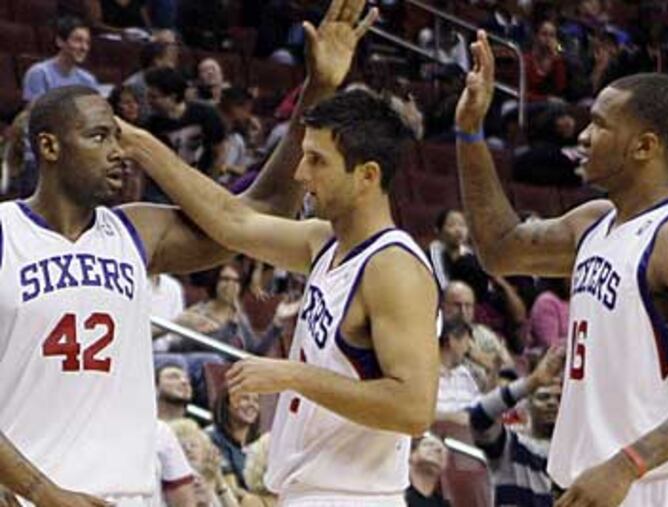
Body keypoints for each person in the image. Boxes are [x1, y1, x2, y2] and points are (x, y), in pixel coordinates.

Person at [0, 0, 373, 503]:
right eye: (98, 137)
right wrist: (43, 493)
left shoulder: (136, 231)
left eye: (118, 137)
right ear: (49, 147)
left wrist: (319, 90)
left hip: (130, 495)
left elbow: (258, 211)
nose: (117, 151)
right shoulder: (5, 233)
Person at [117, 24, 443, 507]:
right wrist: (142, 145)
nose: (299, 173)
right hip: (307, 492)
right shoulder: (323, 242)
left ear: (367, 176)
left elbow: (414, 408)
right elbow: (233, 220)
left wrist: (291, 375)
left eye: (317, 161)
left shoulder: (393, 269)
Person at [455, 30, 668, 506]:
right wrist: (470, 132)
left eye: (600, 124)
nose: (584, 134)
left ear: (644, 146)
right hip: (600, 483)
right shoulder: (592, 224)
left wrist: (627, 463)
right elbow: (500, 250)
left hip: (662, 486)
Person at [469, 346, 564, 507]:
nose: (552, 403)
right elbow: (479, 417)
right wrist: (532, 382)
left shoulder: (572, 457)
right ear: (527, 404)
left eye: (559, 398)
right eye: (543, 397)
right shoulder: (510, 446)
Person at [22, 16, 98, 103]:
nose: (84, 48)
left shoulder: (88, 80)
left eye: (87, 42)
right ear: (60, 41)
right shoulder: (39, 73)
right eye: (78, 40)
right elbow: (35, 113)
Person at [405, 434, 450, 507]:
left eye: (444, 451)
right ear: (412, 456)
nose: (438, 449)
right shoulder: (397, 496)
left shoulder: (443, 504)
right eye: (429, 444)